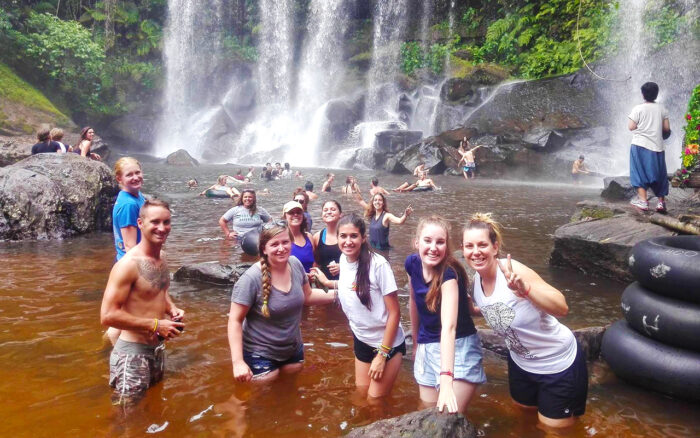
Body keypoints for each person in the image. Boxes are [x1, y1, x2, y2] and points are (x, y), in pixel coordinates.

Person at [463, 213, 587, 428]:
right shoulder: (476, 282)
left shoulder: (512, 272)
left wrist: (526, 290)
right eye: (469, 246)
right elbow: (493, 310)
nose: (475, 252)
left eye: (482, 245)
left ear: (495, 246)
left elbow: (562, 306)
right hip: (521, 364)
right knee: (525, 419)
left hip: (556, 364)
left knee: (555, 431)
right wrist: (463, 306)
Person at [227, 222, 337, 383]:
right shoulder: (250, 279)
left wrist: (341, 295)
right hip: (260, 352)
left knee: (290, 388)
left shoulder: (295, 264)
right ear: (264, 249)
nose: (281, 248)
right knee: (261, 393)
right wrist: (238, 362)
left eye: (285, 242)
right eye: (274, 244)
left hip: (292, 348)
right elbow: (235, 320)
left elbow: (308, 296)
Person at [100, 199, 185, 405]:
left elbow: (159, 292)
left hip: (156, 350)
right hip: (132, 355)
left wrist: (172, 308)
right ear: (140, 223)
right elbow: (107, 316)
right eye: (155, 222)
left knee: (153, 408)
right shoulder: (127, 265)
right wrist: (156, 324)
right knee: (128, 419)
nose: (162, 228)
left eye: (167, 222)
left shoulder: (162, 257)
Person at [311, 214, 405, 398]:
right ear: (337, 238)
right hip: (362, 339)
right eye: (343, 236)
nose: (348, 241)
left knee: (374, 401)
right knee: (361, 395)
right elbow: (351, 286)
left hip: (386, 344)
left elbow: (395, 313)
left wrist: (382, 355)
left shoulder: (378, 266)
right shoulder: (344, 260)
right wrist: (327, 282)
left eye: (353, 236)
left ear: (363, 238)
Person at [405, 216, 485, 414]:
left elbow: (449, 327)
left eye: (440, 242)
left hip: (458, 346)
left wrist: (446, 377)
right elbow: (414, 302)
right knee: (426, 411)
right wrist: (416, 343)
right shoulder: (412, 263)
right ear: (417, 242)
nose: (433, 247)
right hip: (427, 345)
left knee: (448, 416)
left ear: (446, 246)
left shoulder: (449, 275)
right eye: (427, 240)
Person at [628, 82, 671, 213]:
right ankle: (661, 203)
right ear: (656, 94)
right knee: (660, 174)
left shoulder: (638, 109)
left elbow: (631, 127)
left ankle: (643, 202)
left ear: (643, 94)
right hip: (657, 146)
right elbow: (667, 129)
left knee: (639, 173)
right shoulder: (662, 109)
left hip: (640, 145)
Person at [113, 157, 146, 261]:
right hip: (130, 262)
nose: (135, 177)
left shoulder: (137, 195)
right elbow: (130, 247)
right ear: (119, 179)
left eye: (137, 172)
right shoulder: (128, 205)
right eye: (129, 175)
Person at [219, 189, 272, 256]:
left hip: (256, 240)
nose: (248, 199)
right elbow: (222, 221)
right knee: (241, 257)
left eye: (250, 197)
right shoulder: (235, 210)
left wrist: (266, 232)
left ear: (254, 199)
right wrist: (228, 234)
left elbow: (270, 221)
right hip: (239, 240)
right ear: (242, 198)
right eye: (245, 197)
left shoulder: (260, 210)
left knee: (258, 257)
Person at [312, 200, 343, 281]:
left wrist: (343, 267)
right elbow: (315, 263)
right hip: (324, 287)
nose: (329, 212)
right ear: (322, 215)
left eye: (333, 209)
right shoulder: (317, 237)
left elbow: (359, 259)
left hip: (345, 283)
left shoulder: (347, 235)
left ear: (340, 214)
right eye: (325, 210)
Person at [283, 201, 315, 273]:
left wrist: (313, 274)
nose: (295, 215)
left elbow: (314, 263)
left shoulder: (309, 237)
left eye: (298, 212)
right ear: (285, 216)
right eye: (291, 212)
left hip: (308, 283)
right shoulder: (281, 239)